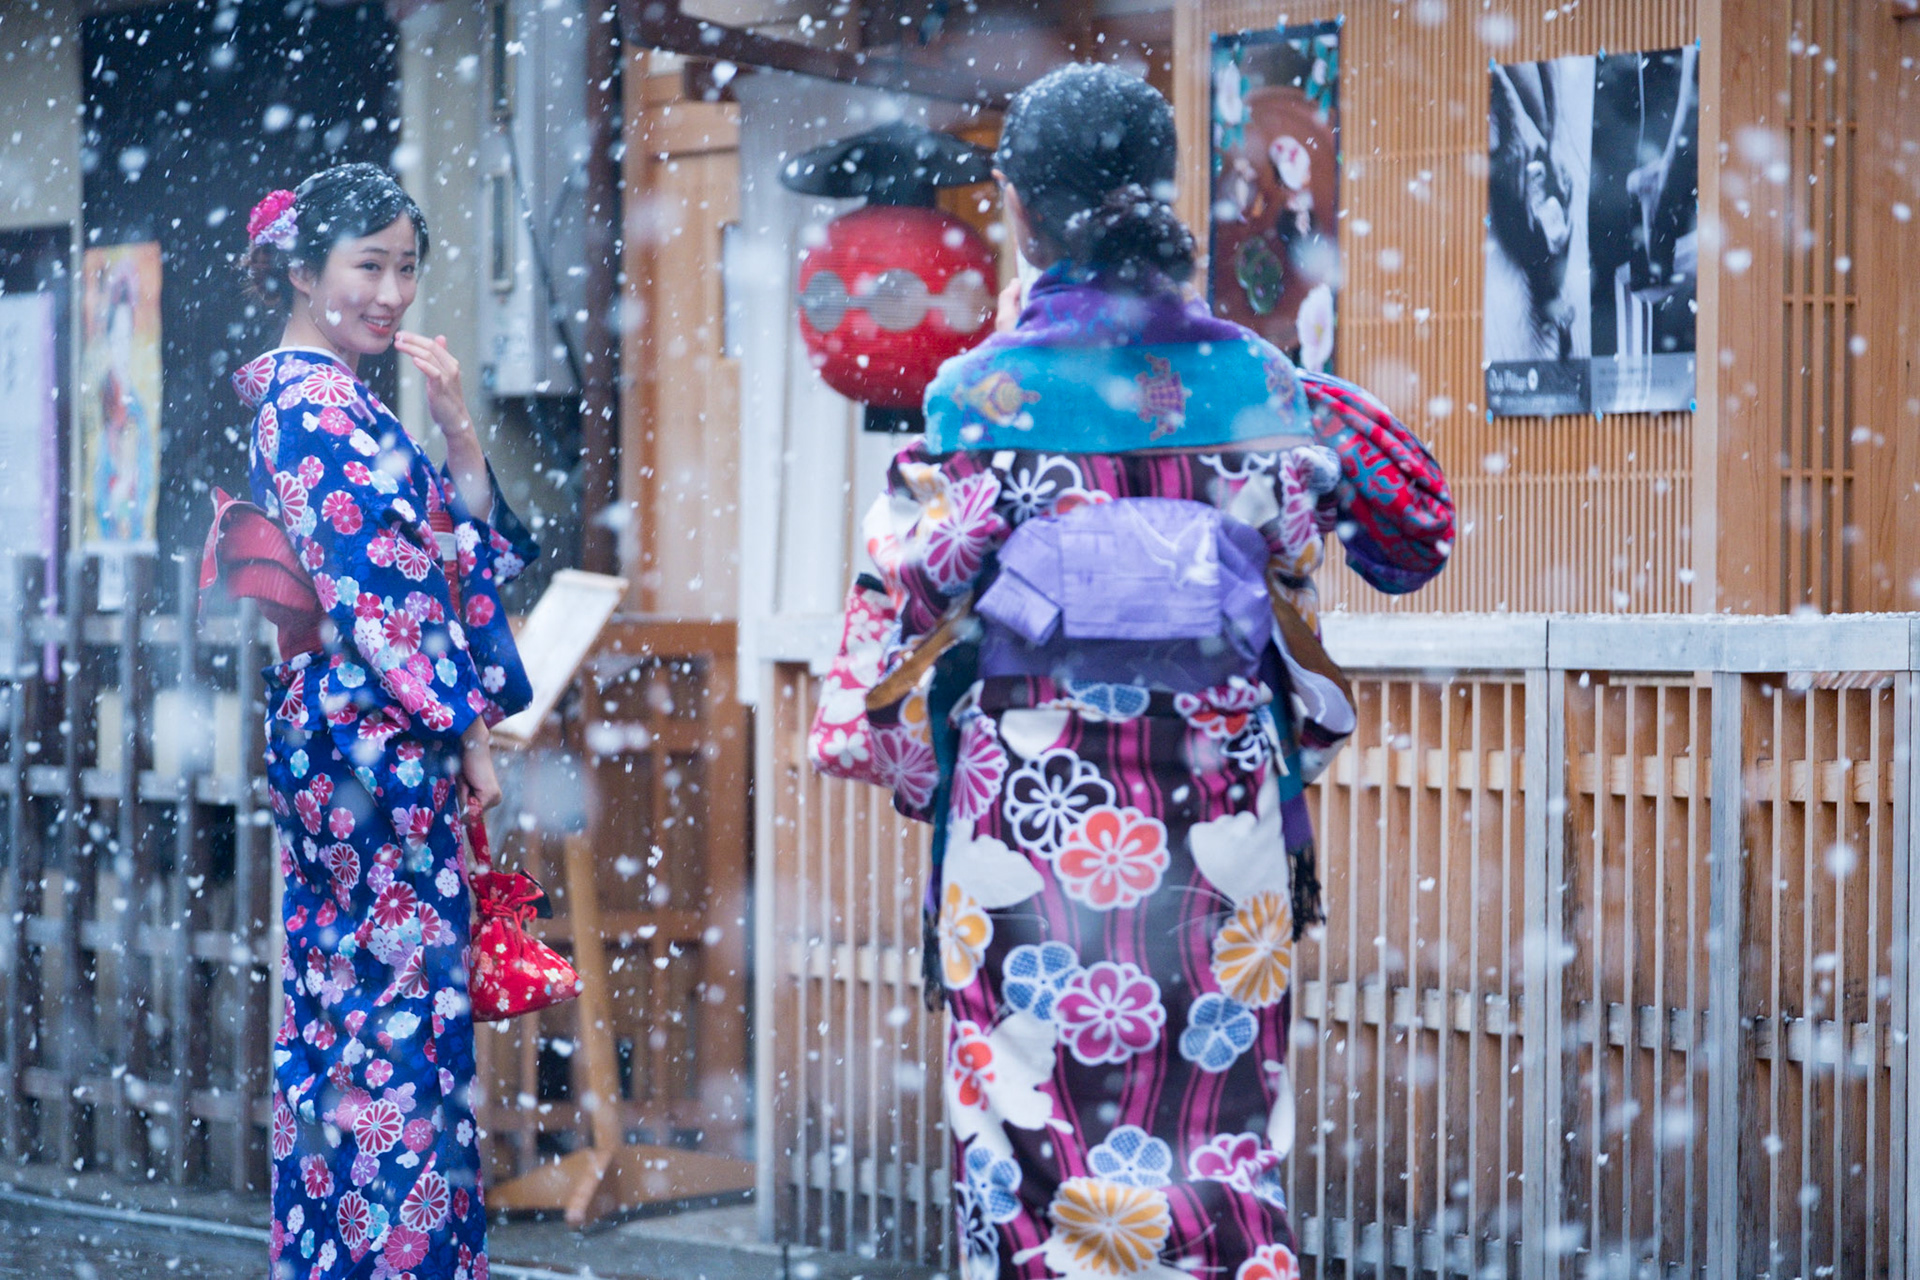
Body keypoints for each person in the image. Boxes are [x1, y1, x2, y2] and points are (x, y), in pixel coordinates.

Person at [810, 65, 1451, 1280]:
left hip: (1034, 814)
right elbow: (1301, 572)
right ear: (1157, 194)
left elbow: (910, 605)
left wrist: (901, 749)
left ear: (1018, 202)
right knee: (1217, 1122)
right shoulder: (1257, 382)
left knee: (1029, 1126)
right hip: (1219, 808)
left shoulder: (983, 392)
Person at [232, 162, 538, 1280]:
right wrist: (466, 728)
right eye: (369, 265)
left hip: (357, 738)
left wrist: (459, 435)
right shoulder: (313, 409)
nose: (394, 292)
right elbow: (393, 596)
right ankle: (388, 1260)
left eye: (407, 266)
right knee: (393, 1037)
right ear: (305, 270)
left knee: (352, 1023)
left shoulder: (332, 401)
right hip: (374, 745)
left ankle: (347, 1253)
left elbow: (441, 562)